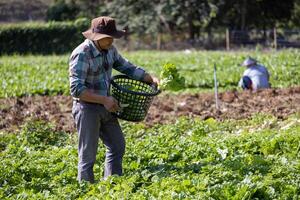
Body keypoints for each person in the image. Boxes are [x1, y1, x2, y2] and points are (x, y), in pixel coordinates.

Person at [69, 16, 159, 183]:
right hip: (87, 108)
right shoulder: (82, 54)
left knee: (117, 146)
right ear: (95, 37)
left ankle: (112, 185)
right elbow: (76, 89)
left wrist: (150, 78)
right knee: (88, 155)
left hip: (107, 105)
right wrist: (103, 99)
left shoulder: (110, 50)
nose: (111, 40)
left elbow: (127, 67)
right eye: (107, 37)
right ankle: (85, 190)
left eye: (112, 36)